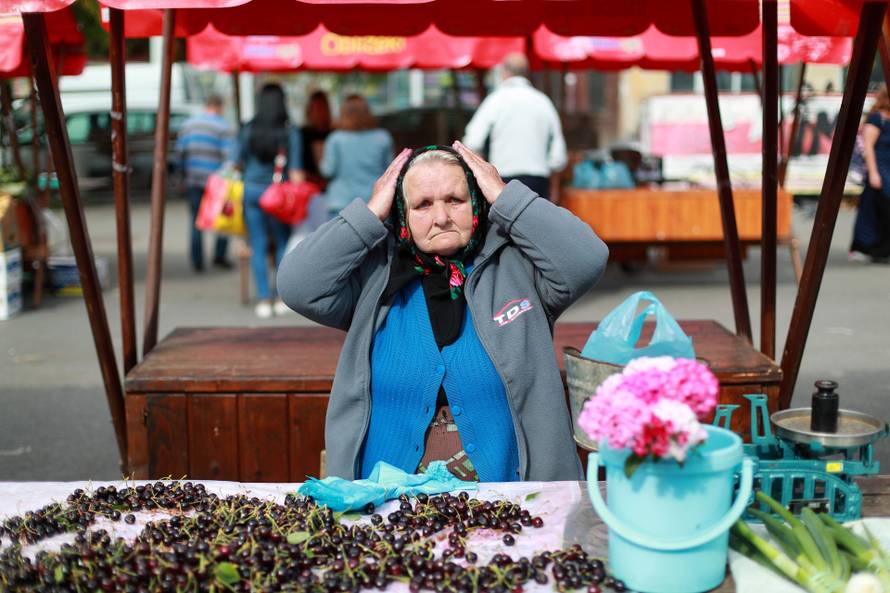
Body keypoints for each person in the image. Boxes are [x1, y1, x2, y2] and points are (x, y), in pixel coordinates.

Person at [278, 141, 608, 481]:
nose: (441, 218)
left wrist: (506, 196)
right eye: (422, 205)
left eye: (455, 200)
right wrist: (369, 214)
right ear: (402, 214)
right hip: (387, 504)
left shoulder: (516, 268)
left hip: (512, 500)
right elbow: (297, 284)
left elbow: (586, 258)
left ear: (477, 201)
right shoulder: (376, 277)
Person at [236, 83, 304, 318]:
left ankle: (264, 298)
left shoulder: (248, 129)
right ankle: (281, 296)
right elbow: (295, 171)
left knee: (258, 244)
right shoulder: (289, 131)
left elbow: (236, 162)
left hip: (252, 191)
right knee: (283, 242)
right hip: (278, 195)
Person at [462, 53, 567, 202]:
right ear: (527, 73)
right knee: (534, 225)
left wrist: (482, 175)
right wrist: (554, 187)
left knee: (503, 225)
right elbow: (558, 155)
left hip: (503, 180)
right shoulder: (543, 102)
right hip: (538, 181)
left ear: (504, 72)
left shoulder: (496, 99)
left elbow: (472, 142)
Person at [175, 94, 235, 272]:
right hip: (216, 182)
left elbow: (179, 155)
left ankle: (197, 261)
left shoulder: (188, 125)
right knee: (224, 218)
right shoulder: (223, 127)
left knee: (196, 221)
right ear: (219, 107)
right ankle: (220, 255)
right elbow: (229, 159)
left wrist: (181, 178)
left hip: (193, 180)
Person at [319, 95, 393, 217]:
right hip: (374, 202)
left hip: (340, 204)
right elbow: (390, 171)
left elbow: (328, 170)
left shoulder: (335, 139)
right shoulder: (382, 137)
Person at [851, 85, 890, 263]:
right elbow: (868, 147)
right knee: (875, 210)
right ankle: (866, 247)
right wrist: (874, 173)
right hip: (879, 169)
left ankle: (883, 250)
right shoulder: (876, 118)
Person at [300, 90, 332, 188]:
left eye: (321, 108)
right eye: (316, 108)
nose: (319, 112)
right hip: (309, 186)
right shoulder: (302, 134)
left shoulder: (334, 134)